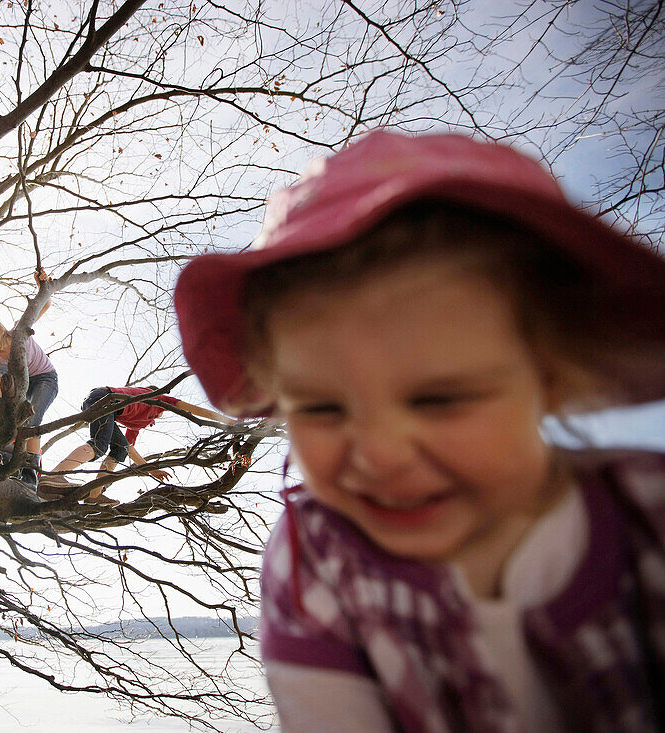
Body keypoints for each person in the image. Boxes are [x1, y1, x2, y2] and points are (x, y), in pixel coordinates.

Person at [173, 130, 665, 732]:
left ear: (552, 374)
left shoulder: (647, 513)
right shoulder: (315, 566)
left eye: (440, 399)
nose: (380, 454)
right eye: (323, 409)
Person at [41, 386, 234, 504]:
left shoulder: (137, 423)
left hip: (106, 406)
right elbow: (193, 410)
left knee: (120, 449)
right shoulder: (159, 399)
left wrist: (151, 471)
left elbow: (129, 449)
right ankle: (55, 476)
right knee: (99, 445)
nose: (157, 416)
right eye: (160, 413)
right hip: (105, 399)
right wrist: (226, 420)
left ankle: (94, 496)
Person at [0, 270, 57, 487]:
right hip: (22, 387)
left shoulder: (19, 330)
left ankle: (31, 473)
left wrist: (42, 286)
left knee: (32, 419)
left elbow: (44, 306)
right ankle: (10, 457)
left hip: (45, 379)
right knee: (15, 422)